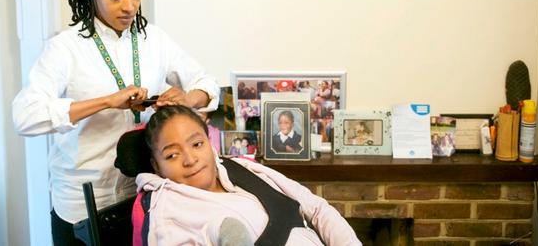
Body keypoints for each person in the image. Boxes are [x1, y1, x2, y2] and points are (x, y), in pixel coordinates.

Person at [12, 0, 219, 245]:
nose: (129, 6)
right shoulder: (65, 48)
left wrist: (188, 99)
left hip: (143, 199)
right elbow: (25, 117)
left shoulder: (154, 39)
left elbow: (208, 84)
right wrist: (107, 102)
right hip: (81, 206)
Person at [115, 105, 361, 245]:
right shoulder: (168, 212)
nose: (190, 160)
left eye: (197, 144)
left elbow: (317, 209)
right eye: (172, 155)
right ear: (156, 166)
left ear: (209, 143)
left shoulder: (243, 168)